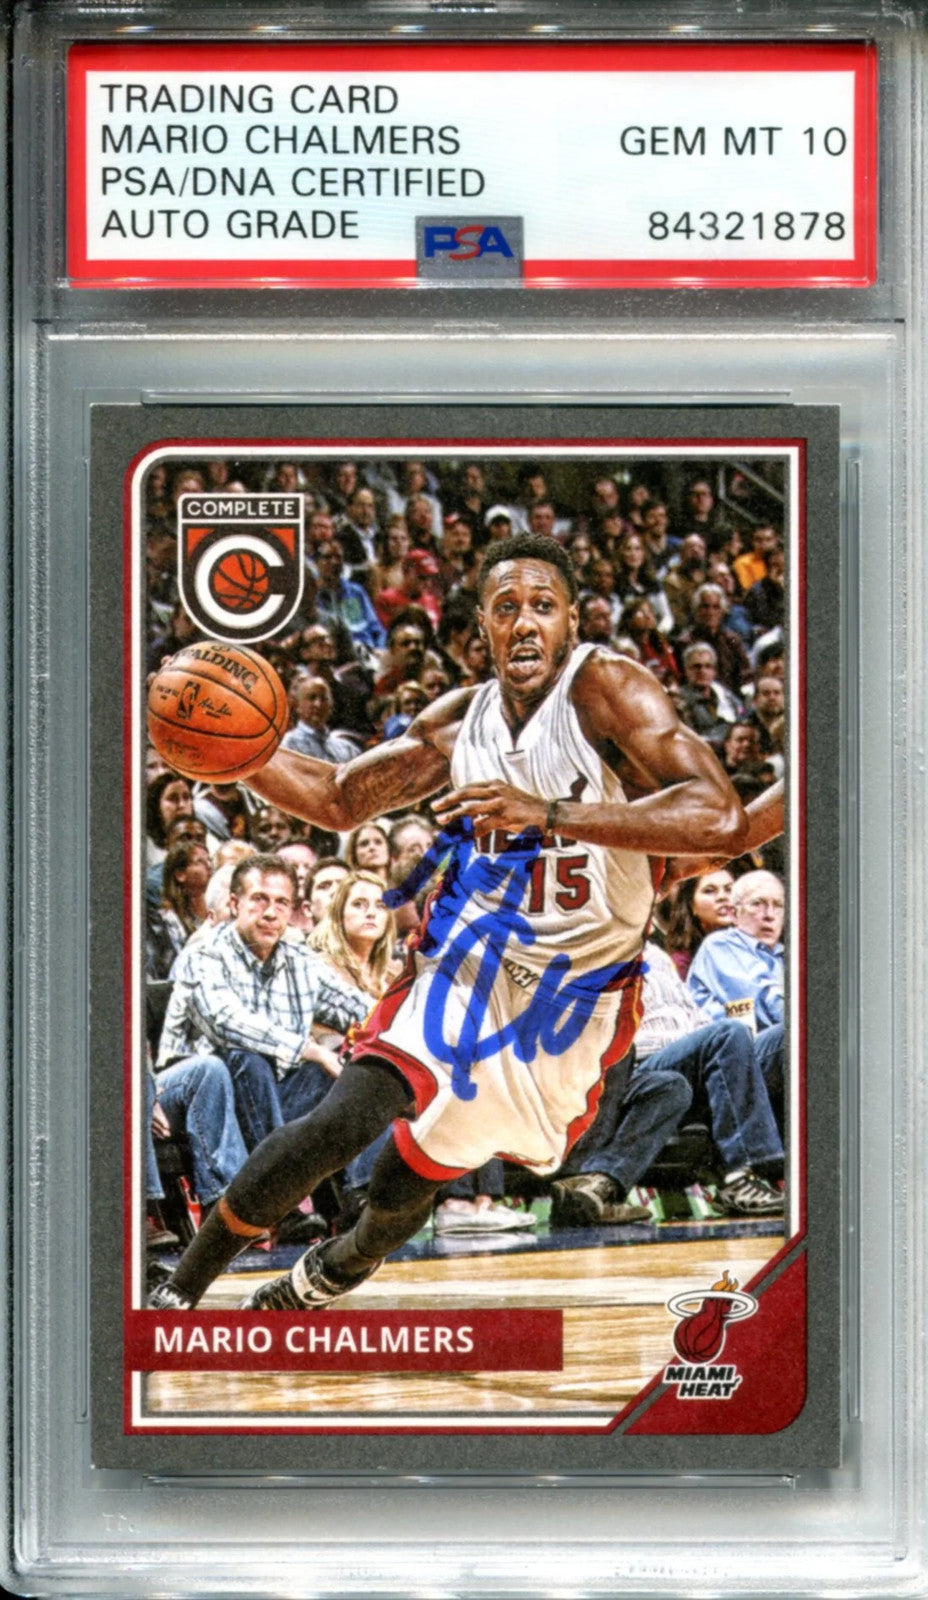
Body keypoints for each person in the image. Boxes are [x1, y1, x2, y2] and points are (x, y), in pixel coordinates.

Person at [150, 531, 745, 1312]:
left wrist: (549, 813)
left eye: (543, 605)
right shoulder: (462, 722)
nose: (524, 621)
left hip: (573, 1000)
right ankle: (180, 1290)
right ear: (482, 628)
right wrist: (226, 748)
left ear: (571, 622)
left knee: (408, 1177)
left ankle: (345, 1260)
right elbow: (338, 797)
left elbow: (720, 816)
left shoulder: (608, 691)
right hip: (466, 964)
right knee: (346, 1117)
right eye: (506, 607)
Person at [550, 941, 784, 1225]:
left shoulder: (657, 954)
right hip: (641, 1060)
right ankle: (740, 1176)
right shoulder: (592, 947)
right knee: (727, 1034)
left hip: (697, 1055)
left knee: (784, 1034)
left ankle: (798, 1169)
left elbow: (693, 1014)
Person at [664, 868, 736, 980]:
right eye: (709, 891)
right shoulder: (682, 964)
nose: (722, 897)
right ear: (692, 905)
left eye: (729, 889)